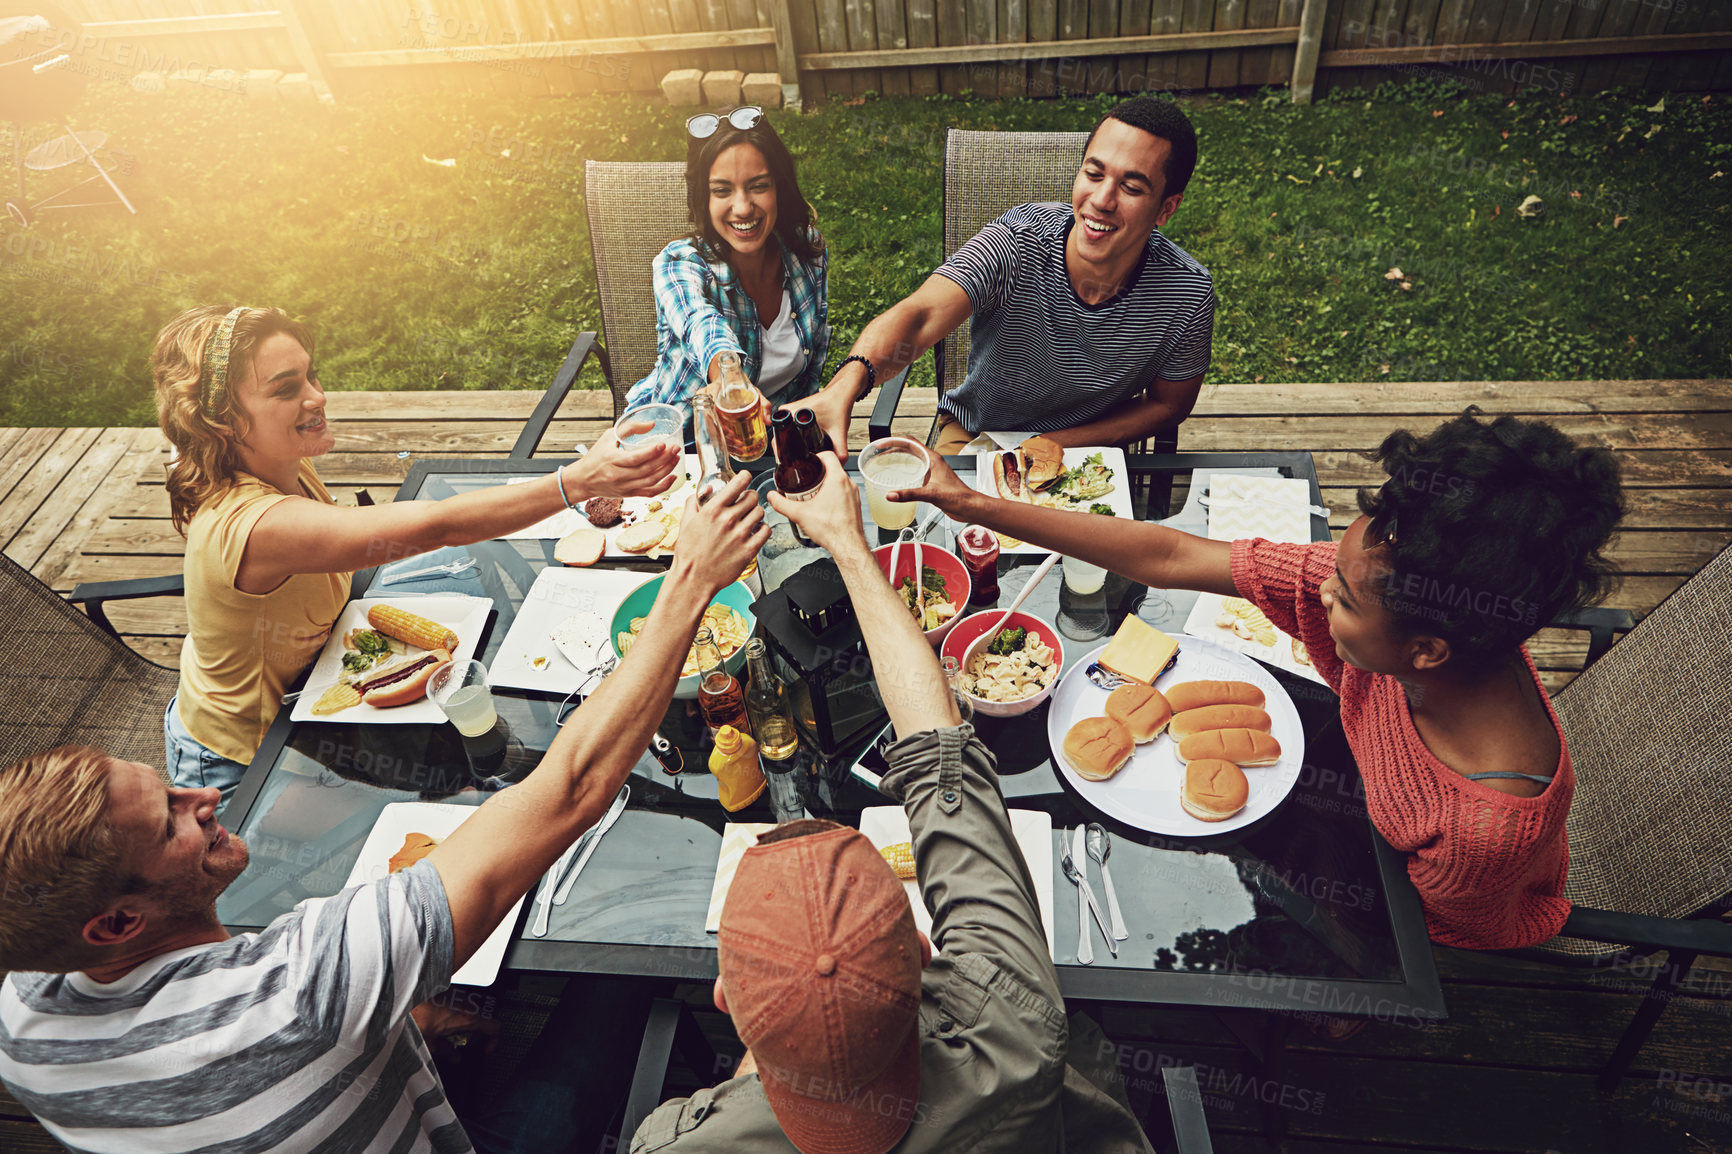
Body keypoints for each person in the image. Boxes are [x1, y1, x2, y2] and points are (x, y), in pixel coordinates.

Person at [0, 469, 770, 1154]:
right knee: (625, 956)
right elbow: (569, 789)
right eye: (170, 818)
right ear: (115, 925)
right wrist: (690, 581)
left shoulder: (21, 1011)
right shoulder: (301, 987)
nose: (203, 796)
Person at [893, 408, 1625, 951]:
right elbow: (1174, 557)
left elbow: (1423, 937)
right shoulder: (1408, 604)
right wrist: (979, 505)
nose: (1320, 589)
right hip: (1353, 790)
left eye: (1342, 595)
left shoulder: (1483, 825)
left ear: (1427, 651)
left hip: (1415, 903)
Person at [631, 454, 1155, 1153]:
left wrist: (790, 1025)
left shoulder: (674, 1146)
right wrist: (849, 544)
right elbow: (940, 749)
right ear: (919, 948)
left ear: (726, 1000)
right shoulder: (1014, 1030)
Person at [153, 304, 678, 806]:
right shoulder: (256, 524)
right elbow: (438, 524)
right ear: (220, 422)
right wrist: (576, 482)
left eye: (311, 375)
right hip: (247, 763)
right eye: (287, 389)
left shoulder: (265, 452)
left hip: (315, 686)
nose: (317, 397)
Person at [784, 95, 1212, 459]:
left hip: (1089, 451)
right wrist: (847, 384)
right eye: (1093, 173)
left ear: (1165, 210)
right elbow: (920, 314)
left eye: (1132, 188)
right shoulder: (1019, 242)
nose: (1101, 200)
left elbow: (1167, 405)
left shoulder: (1188, 295)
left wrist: (1051, 445)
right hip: (977, 437)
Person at [625, 106, 829, 413]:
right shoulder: (678, 264)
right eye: (722, 191)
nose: (743, 207)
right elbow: (701, 324)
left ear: (779, 188)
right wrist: (730, 377)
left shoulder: (806, 251)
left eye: (758, 186)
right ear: (703, 199)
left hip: (770, 444)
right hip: (681, 445)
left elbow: (807, 375)